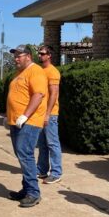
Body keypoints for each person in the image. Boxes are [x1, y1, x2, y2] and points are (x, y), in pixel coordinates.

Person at [6, 44, 47, 208]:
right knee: (21, 155)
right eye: (14, 56)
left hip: (29, 121)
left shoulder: (35, 71)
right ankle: (26, 188)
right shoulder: (19, 73)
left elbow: (38, 95)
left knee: (25, 154)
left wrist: (25, 115)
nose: (15, 59)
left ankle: (33, 192)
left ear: (28, 56)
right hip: (16, 122)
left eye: (19, 56)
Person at [36, 45, 63, 184]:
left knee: (53, 143)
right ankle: (41, 169)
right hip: (40, 114)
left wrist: (47, 113)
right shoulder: (41, 71)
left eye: (42, 53)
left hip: (50, 114)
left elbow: (53, 94)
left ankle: (56, 172)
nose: (39, 55)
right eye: (39, 53)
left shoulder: (53, 72)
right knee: (42, 144)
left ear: (49, 55)